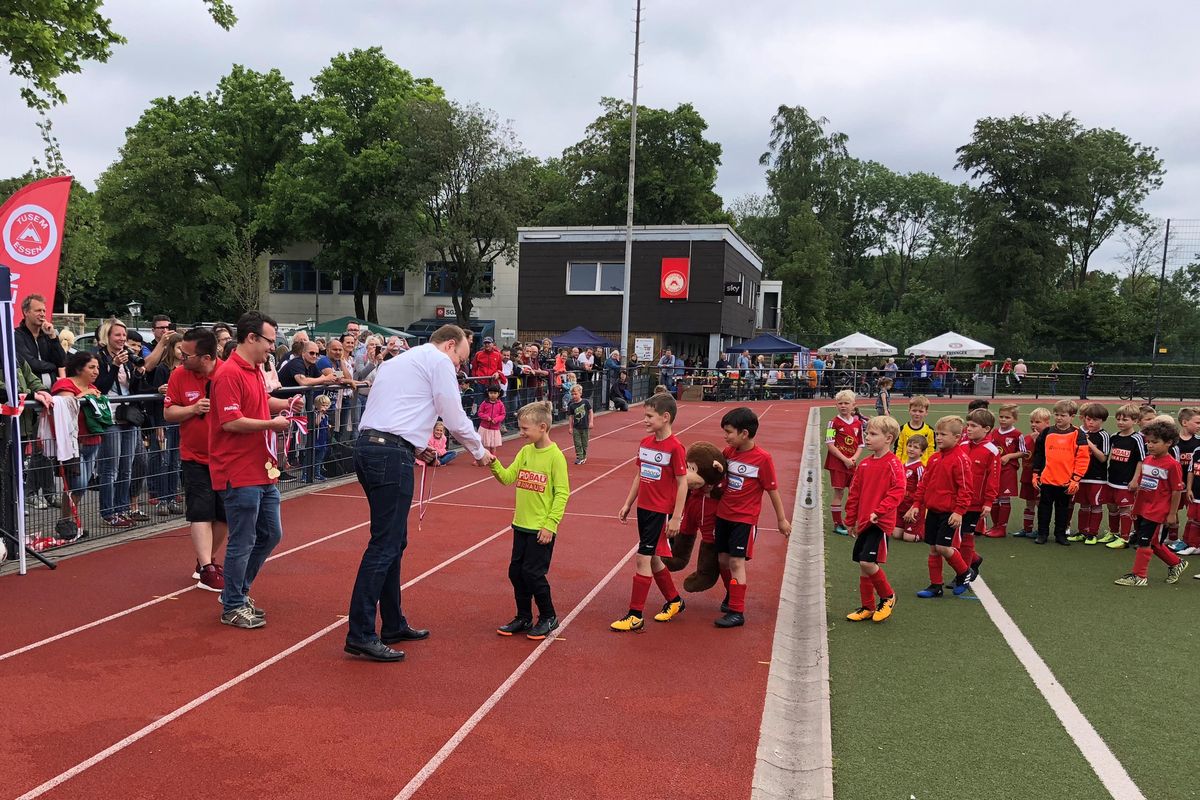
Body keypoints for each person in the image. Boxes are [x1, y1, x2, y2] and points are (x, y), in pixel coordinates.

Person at [346, 324, 491, 662]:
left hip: (371, 447)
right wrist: (479, 449)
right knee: (385, 544)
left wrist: (415, 447)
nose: (459, 367)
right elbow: (452, 414)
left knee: (393, 541)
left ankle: (392, 622)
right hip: (389, 454)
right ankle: (361, 632)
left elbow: (394, 409)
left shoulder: (397, 361)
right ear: (450, 345)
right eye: (460, 360)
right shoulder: (438, 361)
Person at [208, 312, 299, 629]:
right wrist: (272, 424)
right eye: (269, 341)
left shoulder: (254, 370)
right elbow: (231, 422)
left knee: (271, 533)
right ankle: (233, 603)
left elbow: (259, 402)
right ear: (251, 338)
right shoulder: (228, 373)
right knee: (243, 539)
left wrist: (284, 405)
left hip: (261, 468)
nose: (272, 347)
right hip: (238, 469)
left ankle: (236, 593)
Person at [490, 400, 570, 640]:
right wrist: (493, 463)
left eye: (525, 428)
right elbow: (508, 478)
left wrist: (550, 524)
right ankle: (523, 616)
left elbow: (562, 493)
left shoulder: (555, 457)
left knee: (533, 574)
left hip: (541, 528)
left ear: (542, 427)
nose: (521, 432)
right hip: (521, 525)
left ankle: (548, 616)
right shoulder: (525, 452)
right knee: (516, 572)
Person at [611, 392, 688, 632]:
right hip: (644, 509)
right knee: (653, 558)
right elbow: (639, 475)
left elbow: (683, 483)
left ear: (665, 417)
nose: (644, 420)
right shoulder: (645, 443)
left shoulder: (676, 448)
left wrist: (676, 517)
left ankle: (635, 615)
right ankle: (675, 600)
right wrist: (628, 503)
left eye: (649, 416)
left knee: (642, 558)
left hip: (660, 512)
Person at [711, 406, 792, 627]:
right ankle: (732, 593)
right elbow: (720, 479)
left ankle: (737, 612)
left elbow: (772, 490)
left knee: (736, 562)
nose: (725, 436)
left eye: (729, 432)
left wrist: (781, 519)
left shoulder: (763, 459)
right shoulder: (728, 453)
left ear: (744, 433)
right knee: (722, 560)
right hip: (723, 515)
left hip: (744, 519)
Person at [164, 327, 227, 592]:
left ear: (205, 357)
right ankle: (208, 568)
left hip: (225, 457)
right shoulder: (179, 375)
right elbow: (168, 413)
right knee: (201, 510)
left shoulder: (227, 373)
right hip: (194, 456)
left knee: (224, 514)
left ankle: (205, 560)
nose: (181, 357)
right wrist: (192, 408)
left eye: (187, 354)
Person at [904, 415, 976, 598]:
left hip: (949, 512)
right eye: (937, 434)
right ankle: (936, 586)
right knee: (933, 549)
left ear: (957, 437)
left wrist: (959, 511)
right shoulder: (935, 458)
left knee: (943, 547)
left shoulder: (960, 459)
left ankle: (964, 572)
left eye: (943, 434)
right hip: (933, 510)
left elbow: (966, 489)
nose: (938, 438)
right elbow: (924, 484)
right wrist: (916, 504)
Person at [844, 415, 905, 624]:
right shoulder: (864, 465)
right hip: (864, 522)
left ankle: (888, 596)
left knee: (867, 562)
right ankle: (867, 606)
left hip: (880, 523)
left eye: (872, 434)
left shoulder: (894, 464)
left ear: (888, 438)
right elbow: (854, 493)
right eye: (866, 433)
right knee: (863, 565)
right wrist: (851, 519)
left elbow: (898, 491)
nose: (867, 438)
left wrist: (879, 511)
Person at [1114, 419, 1188, 586]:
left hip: (1157, 511)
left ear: (1168, 443)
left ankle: (1139, 576)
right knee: (1152, 542)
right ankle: (1176, 563)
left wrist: (1172, 514)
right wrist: (1136, 505)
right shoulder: (1147, 460)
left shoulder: (1173, 465)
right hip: (1143, 508)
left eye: (1155, 442)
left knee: (1145, 542)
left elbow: (1176, 491)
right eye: (1148, 442)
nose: (1150, 445)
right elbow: (1143, 485)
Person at [49, 352, 103, 542]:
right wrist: (85, 395)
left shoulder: (92, 387)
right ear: (79, 368)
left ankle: (70, 521)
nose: (96, 371)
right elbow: (66, 406)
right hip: (74, 443)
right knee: (77, 484)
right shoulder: (64, 384)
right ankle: (65, 521)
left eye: (97, 367)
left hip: (93, 441)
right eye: (91, 367)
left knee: (82, 485)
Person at [1030, 400, 1091, 546]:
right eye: (1056, 414)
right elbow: (1039, 454)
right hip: (1047, 479)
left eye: (1063, 415)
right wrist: (1035, 473)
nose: (1058, 418)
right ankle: (1042, 534)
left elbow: (1082, 458)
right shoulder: (1047, 432)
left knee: (1063, 509)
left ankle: (1060, 534)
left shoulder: (1078, 434)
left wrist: (1076, 479)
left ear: (1072, 416)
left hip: (1066, 481)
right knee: (1044, 508)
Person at [959, 409, 1000, 578]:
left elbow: (993, 479)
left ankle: (963, 573)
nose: (968, 429)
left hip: (975, 503)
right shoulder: (961, 446)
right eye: (968, 425)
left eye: (973, 426)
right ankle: (974, 560)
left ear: (986, 429)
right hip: (958, 501)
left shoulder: (991, 451)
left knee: (966, 536)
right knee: (955, 537)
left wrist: (989, 502)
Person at [1103, 404, 1146, 550]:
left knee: (1125, 509)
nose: (1120, 422)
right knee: (1111, 506)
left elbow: (1141, 460)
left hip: (1126, 482)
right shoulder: (1114, 437)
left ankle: (1124, 538)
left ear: (1135, 421)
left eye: (1125, 419)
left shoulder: (1137, 439)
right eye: (1118, 419)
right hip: (1112, 479)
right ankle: (1113, 533)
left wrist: (1135, 480)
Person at [1068, 403, 1111, 545]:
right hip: (1082, 476)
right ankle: (1082, 531)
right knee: (1083, 505)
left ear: (1102, 420)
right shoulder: (1080, 433)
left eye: (1095, 420)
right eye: (1088, 419)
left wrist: (1089, 443)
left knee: (1096, 505)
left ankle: (1092, 534)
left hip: (1097, 477)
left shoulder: (1104, 435)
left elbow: (1103, 458)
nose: (1091, 422)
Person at [825, 390, 864, 535]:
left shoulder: (858, 423)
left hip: (851, 464)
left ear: (853, 405)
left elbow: (861, 444)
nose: (843, 406)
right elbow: (830, 444)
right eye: (840, 403)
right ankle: (837, 524)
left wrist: (853, 459)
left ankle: (852, 520)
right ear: (836, 405)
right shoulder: (832, 423)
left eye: (846, 403)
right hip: (837, 464)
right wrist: (845, 459)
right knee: (839, 492)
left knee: (855, 492)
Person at [985, 404, 1024, 538]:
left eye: (1007, 417)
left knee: (1004, 498)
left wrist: (1009, 456)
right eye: (1001, 416)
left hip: (1008, 470)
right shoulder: (994, 432)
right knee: (994, 497)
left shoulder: (1017, 435)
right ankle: (995, 526)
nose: (1003, 419)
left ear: (1015, 419)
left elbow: (1024, 452)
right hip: (994, 470)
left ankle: (1002, 528)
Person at [1014, 408, 1052, 538]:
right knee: (1029, 503)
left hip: (1041, 477)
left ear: (1047, 423)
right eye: (1032, 421)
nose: (1033, 424)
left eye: (1037, 422)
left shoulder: (1049, 437)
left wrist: (1038, 441)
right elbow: (1022, 453)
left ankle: (1040, 529)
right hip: (1027, 475)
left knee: (1040, 503)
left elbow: (1047, 455)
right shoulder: (1026, 438)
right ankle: (1027, 528)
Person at [1167, 408, 1200, 550]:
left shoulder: (1198, 442)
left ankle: (1192, 540)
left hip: (1193, 487)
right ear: (1185, 422)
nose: (1199, 426)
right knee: (1172, 510)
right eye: (1197, 422)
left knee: (1193, 515)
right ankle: (1173, 538)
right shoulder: (1173, 442)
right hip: (1176, 486)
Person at [894, 436, 927, 542]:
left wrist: (912, 508)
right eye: (909, 446)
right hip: (901, 506)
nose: (911, 449)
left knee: (908, 538)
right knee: (896, 534)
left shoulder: (920, 468)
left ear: (922, 452)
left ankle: (924, 531)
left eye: (916, 447)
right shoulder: (902, 466)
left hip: (913, 508)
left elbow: (922, 490)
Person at [895, 395, 934, 466]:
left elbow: (931, 449)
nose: (917, 414)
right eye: (914, 410)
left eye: (920, 411)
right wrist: (899, 465)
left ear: (926, 412)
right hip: (905, 466)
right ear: (909, 410)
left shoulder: (929, 430)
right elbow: (898, 449)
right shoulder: (902, 429)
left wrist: (929, 465)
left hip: (923, 466)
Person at [566, 383, 593, 465]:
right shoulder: (571, 405)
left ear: (580, 393)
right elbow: (571, 417)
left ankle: (583, 456)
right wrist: (570, 427)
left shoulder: (585, 402)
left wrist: (591, 422)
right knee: (577, 443)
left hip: (585, 427)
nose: (574, 396)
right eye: (572, 394)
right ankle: (579, 457)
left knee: (584, 443)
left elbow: (590, 412)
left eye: (575, 394)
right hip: (576, 428)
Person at [477, 385, 506, 454]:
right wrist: (486, 417)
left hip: (494, 428)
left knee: (493, 446)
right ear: (488, 393)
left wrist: (496, 419)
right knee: (482, 444)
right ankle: (481, 457)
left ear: (498, 394)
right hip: (484, 427)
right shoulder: (484, 403)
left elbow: (503, 414)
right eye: (491, 393)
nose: (493, 395)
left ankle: (493, 457)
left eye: (495, 393)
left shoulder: (500, 404)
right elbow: (480, 412)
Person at [313, 395, 332, 481]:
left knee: (319, 459)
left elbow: (325, 425)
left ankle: (317, 473)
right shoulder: (316, 414)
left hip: (323, 441)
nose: (325, 407)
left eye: (327, 405)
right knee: (310, 458)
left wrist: (328, 426)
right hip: (316, 440)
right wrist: (320, 413)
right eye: (323, 405)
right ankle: (305, 474)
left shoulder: (326, 416)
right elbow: (316, 423)